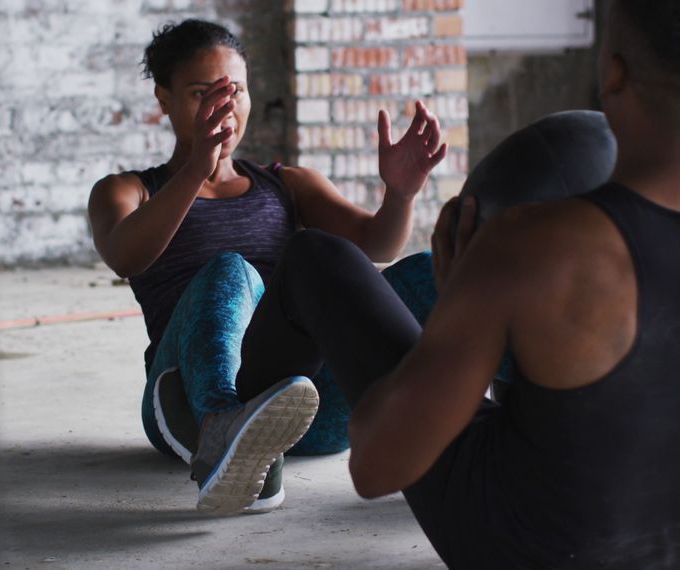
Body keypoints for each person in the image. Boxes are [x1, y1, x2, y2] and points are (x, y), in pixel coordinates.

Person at [206, 0, 680, 566]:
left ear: (613, 73)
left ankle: (236, 423)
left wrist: (462, 302)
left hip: (519, 549)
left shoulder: (526, 243)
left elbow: (375, 465)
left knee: (317, 255)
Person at [87, 19, 448, 512]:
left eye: (234, 91)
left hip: (304, 410)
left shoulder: (287, 185)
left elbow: (376, 244)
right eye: (200, 93)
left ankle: (483, 431)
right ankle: (224, 430)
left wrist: (401, 193)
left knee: (430, 272)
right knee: (231, 272)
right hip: (186, 400)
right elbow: (125, 256)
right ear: (164, 99)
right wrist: (199, 166)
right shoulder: (128, 190)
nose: (223, 107)